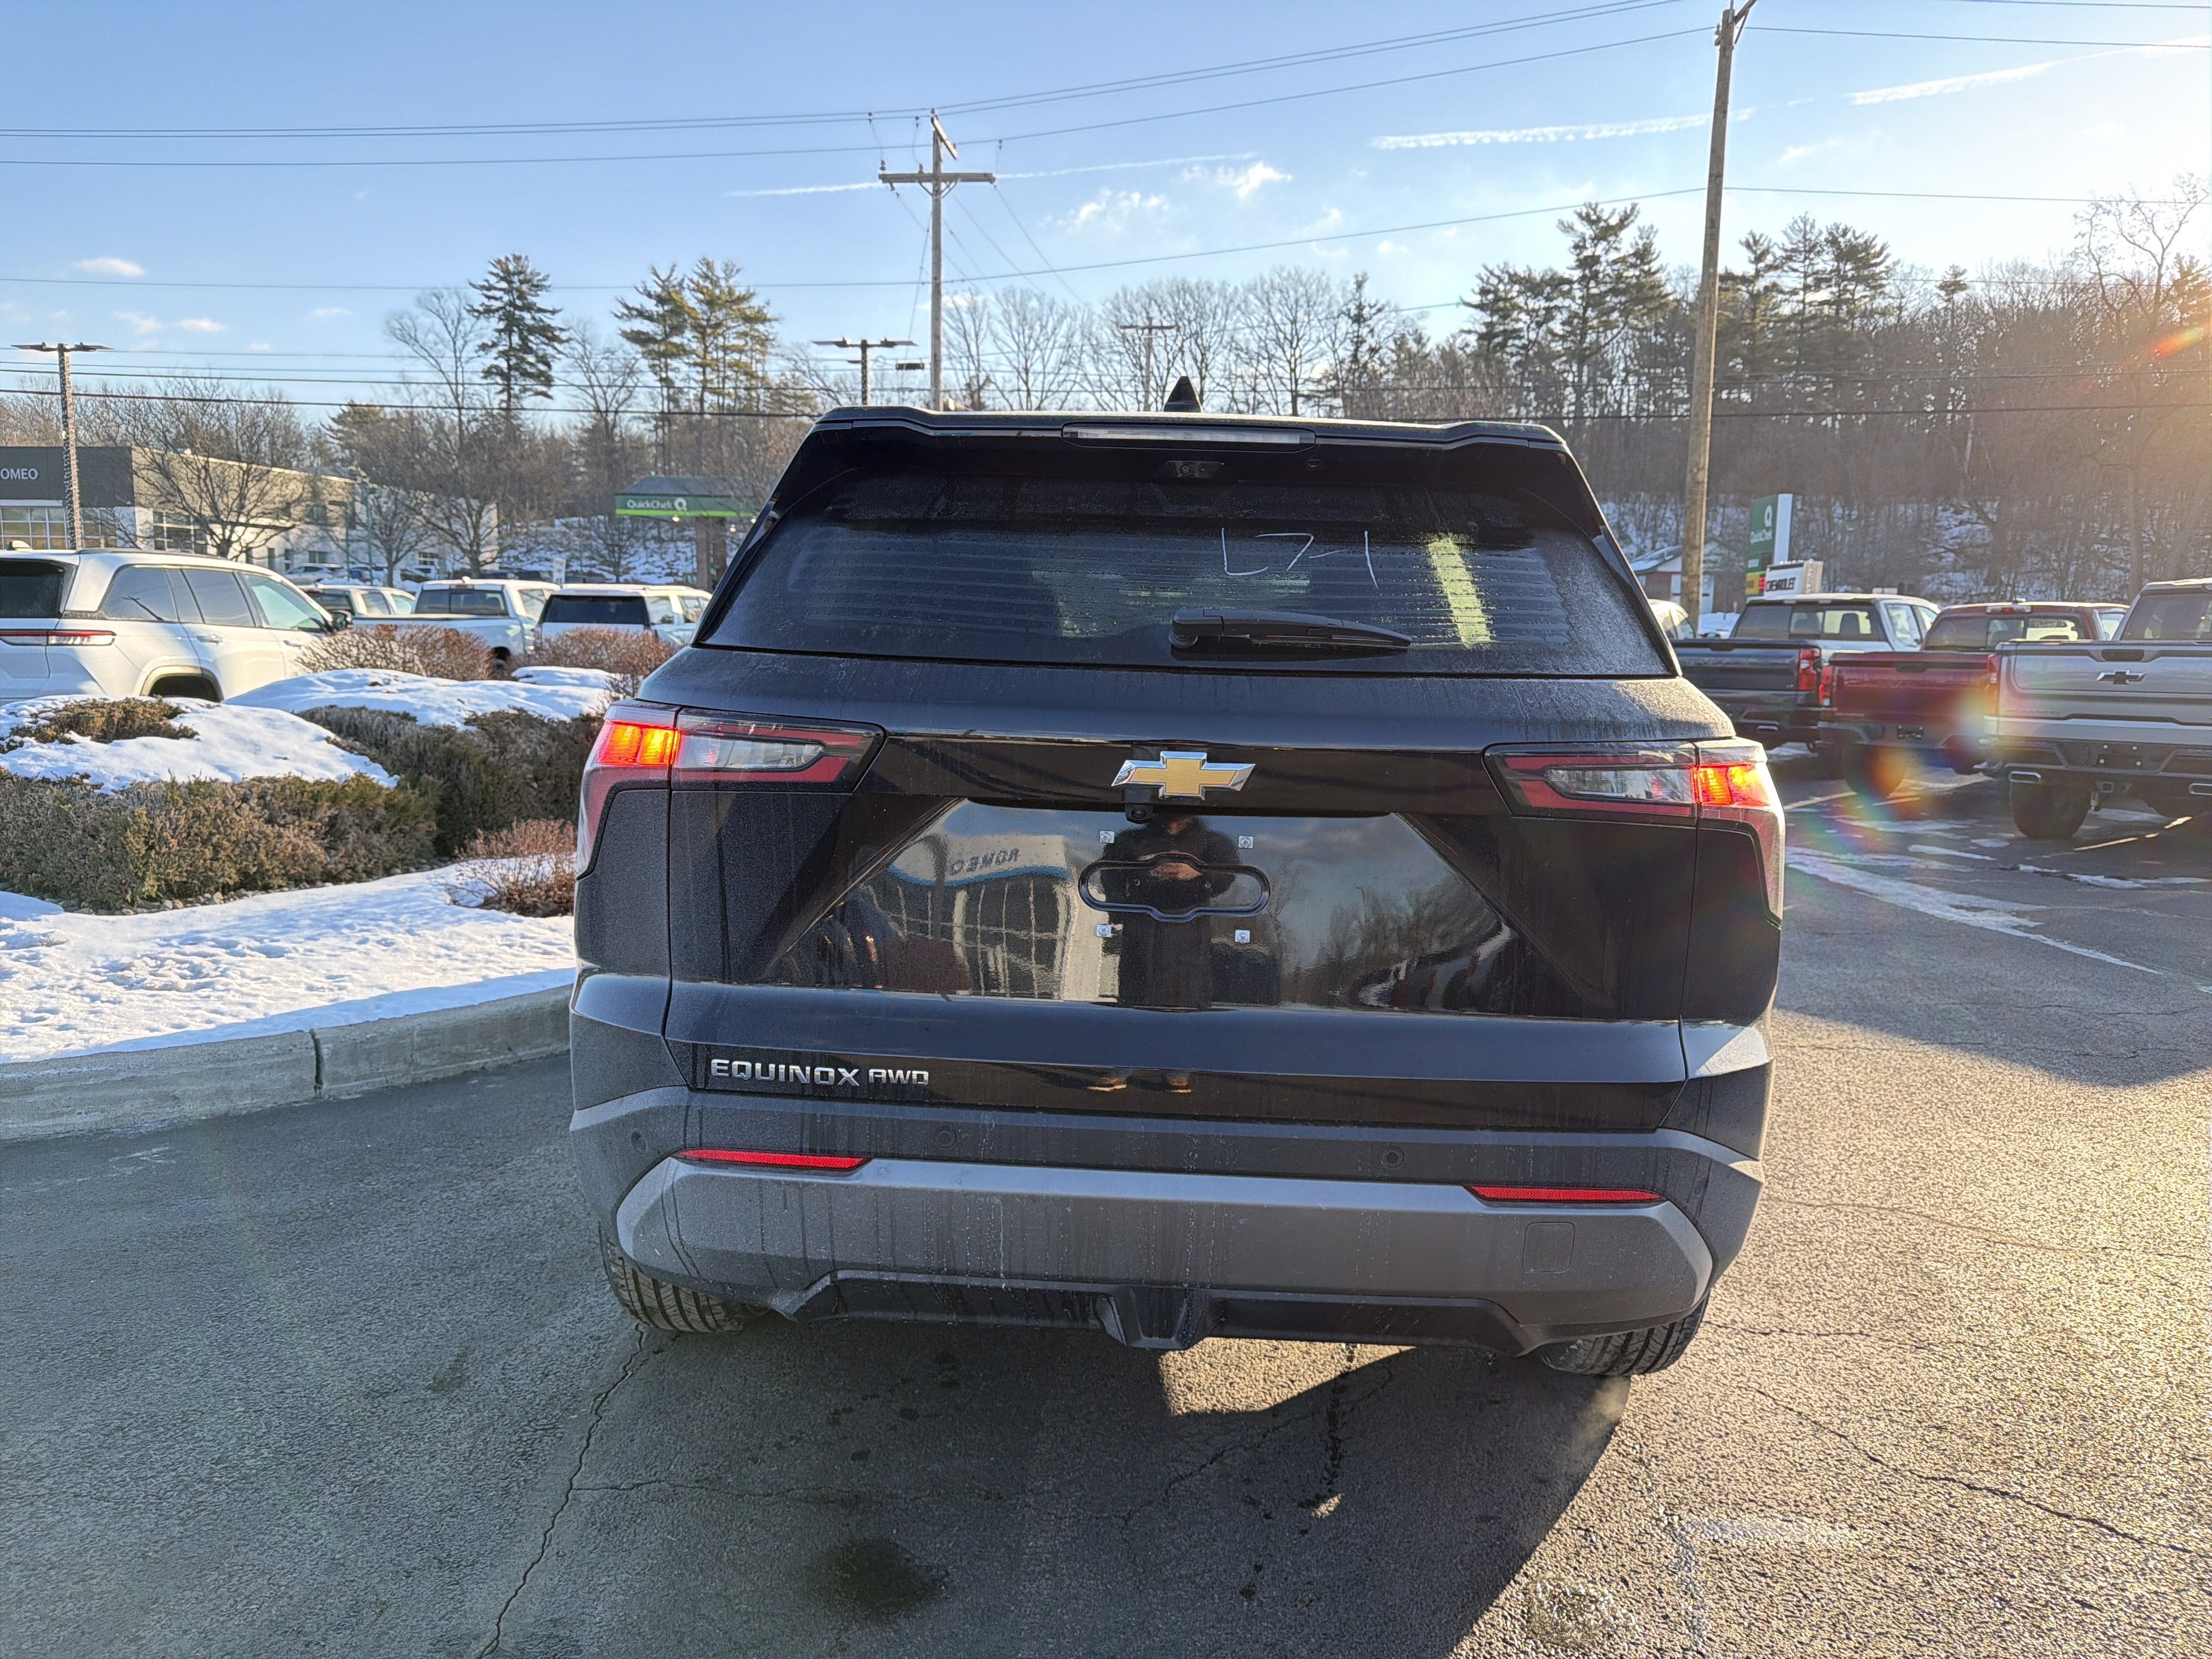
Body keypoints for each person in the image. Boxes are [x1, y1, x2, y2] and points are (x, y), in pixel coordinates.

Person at [1092, 810, 1239, 1092]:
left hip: (1189, 931)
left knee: (1184, 998)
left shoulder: (1212, 842)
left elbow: (1227, 876)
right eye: (1167, 812)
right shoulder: (1130, 841)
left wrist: (1196, 872)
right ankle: (1122, 1065)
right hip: (1142, 929)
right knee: (1134, 996)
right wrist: (1125, 902)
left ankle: (1178, 1068)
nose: (1173, 821)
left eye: (1180, 813)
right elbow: (1109, 875)